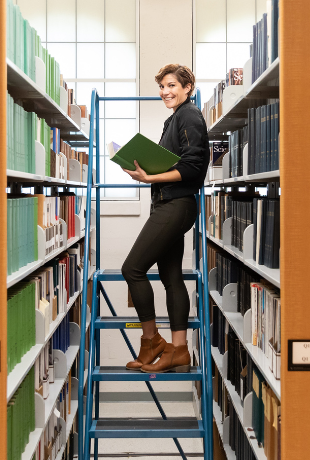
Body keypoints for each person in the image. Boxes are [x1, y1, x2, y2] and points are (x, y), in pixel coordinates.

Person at [119, 64, 209, 373]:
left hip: (176, 205)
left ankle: (152, 340)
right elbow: (172, 163)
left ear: (187, 88)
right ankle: (179, 350)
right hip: (166, 204)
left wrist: (149, 179)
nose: (165, 91)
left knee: (132, 268)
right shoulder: (175, 119)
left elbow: (194, 167)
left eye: (171, 85)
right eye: (161, 87)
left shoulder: (189, 116)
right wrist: (145, 172)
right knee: (172, 278)